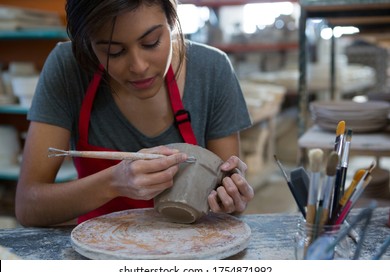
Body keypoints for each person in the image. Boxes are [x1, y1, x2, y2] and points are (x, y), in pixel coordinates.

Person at [15, 0, 254, 227]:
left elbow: (230, 205)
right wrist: (113, 182)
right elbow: (28, 207)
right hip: (98, 254)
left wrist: (233, 197)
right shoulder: (68, 67)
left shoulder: (212, 69)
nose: (138, 67)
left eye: (151, 42)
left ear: (171, 18)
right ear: (87, 44)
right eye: (113, 51)